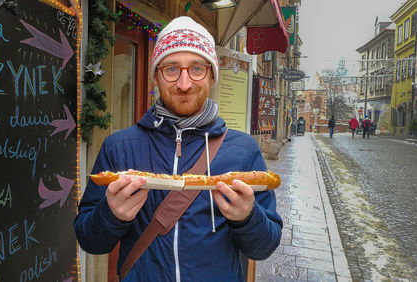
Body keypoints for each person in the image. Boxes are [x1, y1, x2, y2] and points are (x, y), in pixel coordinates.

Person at [74, 16, 282, 282]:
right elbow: (90, 242)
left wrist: (247, 218)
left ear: (212, 75)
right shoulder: (118, 147)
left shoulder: (243, 150)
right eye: (172, 69)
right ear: (156, 77)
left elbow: (264, 248)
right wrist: (110, 215)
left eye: (196, 68)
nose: (184, 84)